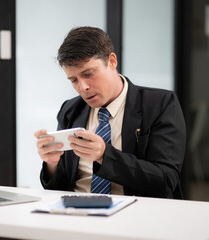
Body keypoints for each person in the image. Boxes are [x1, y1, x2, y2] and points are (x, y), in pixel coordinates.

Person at [34, 26, 186, 199]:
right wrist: (51, 164)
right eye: (74, 80)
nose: (82, 87)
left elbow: (166, 181)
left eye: (89, 74)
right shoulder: (70, 110)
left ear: (112, 61)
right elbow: (60, 188)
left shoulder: (159, 104)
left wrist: (103, 155)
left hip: (137, 213)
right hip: (76, 212)